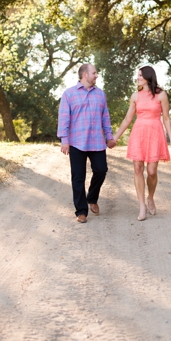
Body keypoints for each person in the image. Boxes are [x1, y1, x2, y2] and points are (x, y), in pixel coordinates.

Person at [113, 66, 171, 221]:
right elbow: (127, 119)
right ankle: (142, 205)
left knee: (151, 171)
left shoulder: (161, 95)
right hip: (139, 133)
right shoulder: (135, 96)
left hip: (155, 133)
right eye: (138, 75)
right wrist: (115, 137)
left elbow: (166, 118)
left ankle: (150, 197)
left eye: (141, 75)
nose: (138, 78)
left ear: (149, 77)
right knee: (137, 168)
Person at [57, 63, 116, 223]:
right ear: (85, 75)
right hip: (76, 142)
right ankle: (81, 211)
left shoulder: (100, 94)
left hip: (96, 141)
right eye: (94, 73)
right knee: (78, 177)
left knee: (101, 170)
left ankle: (92, 197)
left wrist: (109, 136)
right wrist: (64, 140)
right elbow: (64, 118)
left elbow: (105, 118)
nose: (96, 75)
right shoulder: (69, 94)